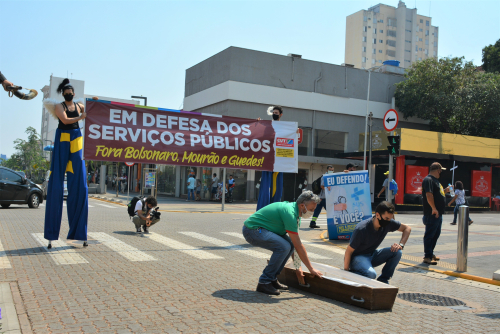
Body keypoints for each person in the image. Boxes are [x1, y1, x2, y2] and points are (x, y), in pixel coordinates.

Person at [243, 191, 324, 295]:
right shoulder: (290, 213)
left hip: (266, 230)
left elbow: (294, 245)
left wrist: (298, 268)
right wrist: (311, 269)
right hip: (252, 231)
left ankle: (272, 279)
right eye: (312, 209)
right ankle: (264, 282)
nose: (312, 212)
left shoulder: (296, 213)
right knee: (284, 247)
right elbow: (299, 246)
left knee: (289, 246)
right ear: (302, 205)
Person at [43, 78, 88, 247]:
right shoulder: (59, 107)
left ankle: (79, 233)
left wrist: (96, 103)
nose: (69, 93)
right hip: (62, 139)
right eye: (66, 92)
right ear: (63, 93)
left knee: (80, 186)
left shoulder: (79, 106)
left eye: (71, 92)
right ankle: (51, 234)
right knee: (56, 185)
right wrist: (81, 116)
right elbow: (65, 121)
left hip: (76, 139)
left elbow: (91, 111)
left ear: (74, 93)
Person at [344, 201, 411, 284]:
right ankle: (353, 274)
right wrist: (345, 272)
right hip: (357, 258)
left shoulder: (388, 223)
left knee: (397, 252)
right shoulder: (362, 229)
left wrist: (401, 244)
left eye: (390, 218)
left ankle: (383, 280)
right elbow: (348, 251)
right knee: (371, 274)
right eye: (386, 218)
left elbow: (407, 228)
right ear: (378, 215)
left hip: (372, 255)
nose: (388, 221)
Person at [422, 162, 449, 265]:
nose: (440, 173)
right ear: (438, 170)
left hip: (438, 214)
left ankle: (430, 253)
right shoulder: (428, 180)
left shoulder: (435, 181)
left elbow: (437, 194)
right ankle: (427, 256)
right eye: (440, 171)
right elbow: (429, 195)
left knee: (435, 235)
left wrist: (445, 191)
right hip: (432, 213)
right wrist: (433, 208)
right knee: (429, 235)